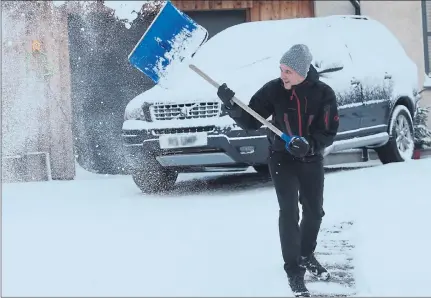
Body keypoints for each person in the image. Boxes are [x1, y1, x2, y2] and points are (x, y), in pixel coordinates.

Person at [216, 44, 339, 297]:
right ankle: (294, 270)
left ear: (304, 71)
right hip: (281, 158)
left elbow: (328, 131)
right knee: (289, 211)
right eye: (282, 69)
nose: (283, 75)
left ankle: (306, 254)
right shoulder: (274, 89)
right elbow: (251, 120)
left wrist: (310, 145)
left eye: (289, 71)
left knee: (314, 211)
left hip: (311, 158)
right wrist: (232, 106)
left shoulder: (323, 93)